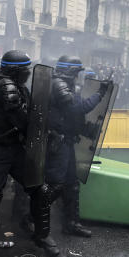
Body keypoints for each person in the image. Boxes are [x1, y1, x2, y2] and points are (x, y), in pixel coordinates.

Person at [0, 50, 58, 257]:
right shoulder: (7, 86)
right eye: (25, 69)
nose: (28, 73)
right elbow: (21, 119)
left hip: (14, 147)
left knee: (40, 189)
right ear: (15, 70)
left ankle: (42, 235)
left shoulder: (14, 85)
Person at [44, 56, 106, 236]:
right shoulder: (59, 85)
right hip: (58, 143)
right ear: (69, 71)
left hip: (67, 141)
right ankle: (33, 219)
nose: (78, 76)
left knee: (72, 184)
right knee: (56, 185)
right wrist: (99, 94)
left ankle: (71, 224)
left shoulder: (66, 85)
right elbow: (77, 109)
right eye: (76, 72)